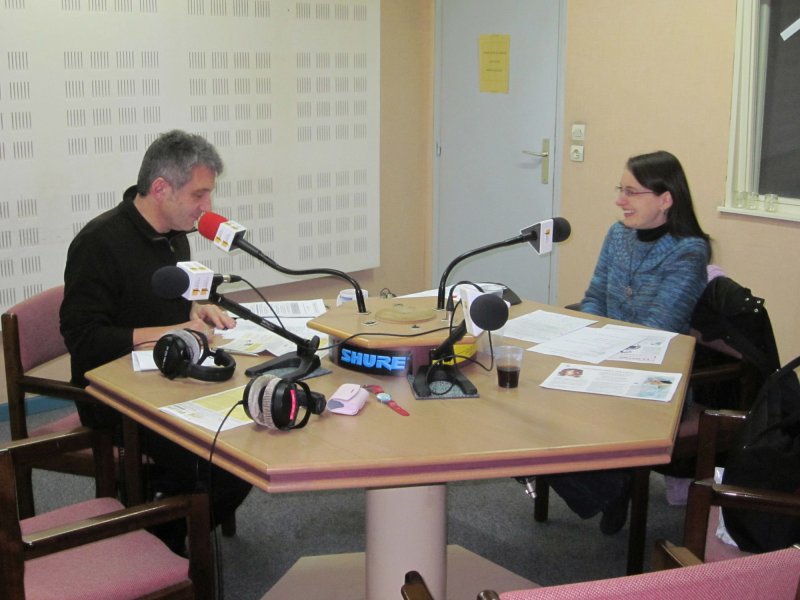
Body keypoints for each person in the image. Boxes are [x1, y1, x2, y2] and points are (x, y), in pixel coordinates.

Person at [60, 129, 251, 552]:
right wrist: (168, 332)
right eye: (199, 196)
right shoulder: (98, 244)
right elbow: (85, 340)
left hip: (168, 378)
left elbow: (165, 303)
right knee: (216, 460)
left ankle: (168, 530)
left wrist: (192, 312)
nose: (208, 209)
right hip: (111, 396)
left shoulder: (175, 235)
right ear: (161, 188)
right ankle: (159, 539)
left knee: (243, 440)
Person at [548, 150, 710, 534]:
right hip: (605, 359)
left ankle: (606, 485)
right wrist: (582, 337)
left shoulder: (690, 250)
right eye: (620, 190)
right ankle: (609, 487)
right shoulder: (618, 234)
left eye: (632, 192)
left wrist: (598, 348)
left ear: (665, 199)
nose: (620, 200)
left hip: (656, 375)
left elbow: (660, 329)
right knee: (528, 403)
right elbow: (595, 298)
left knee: (561, 408)